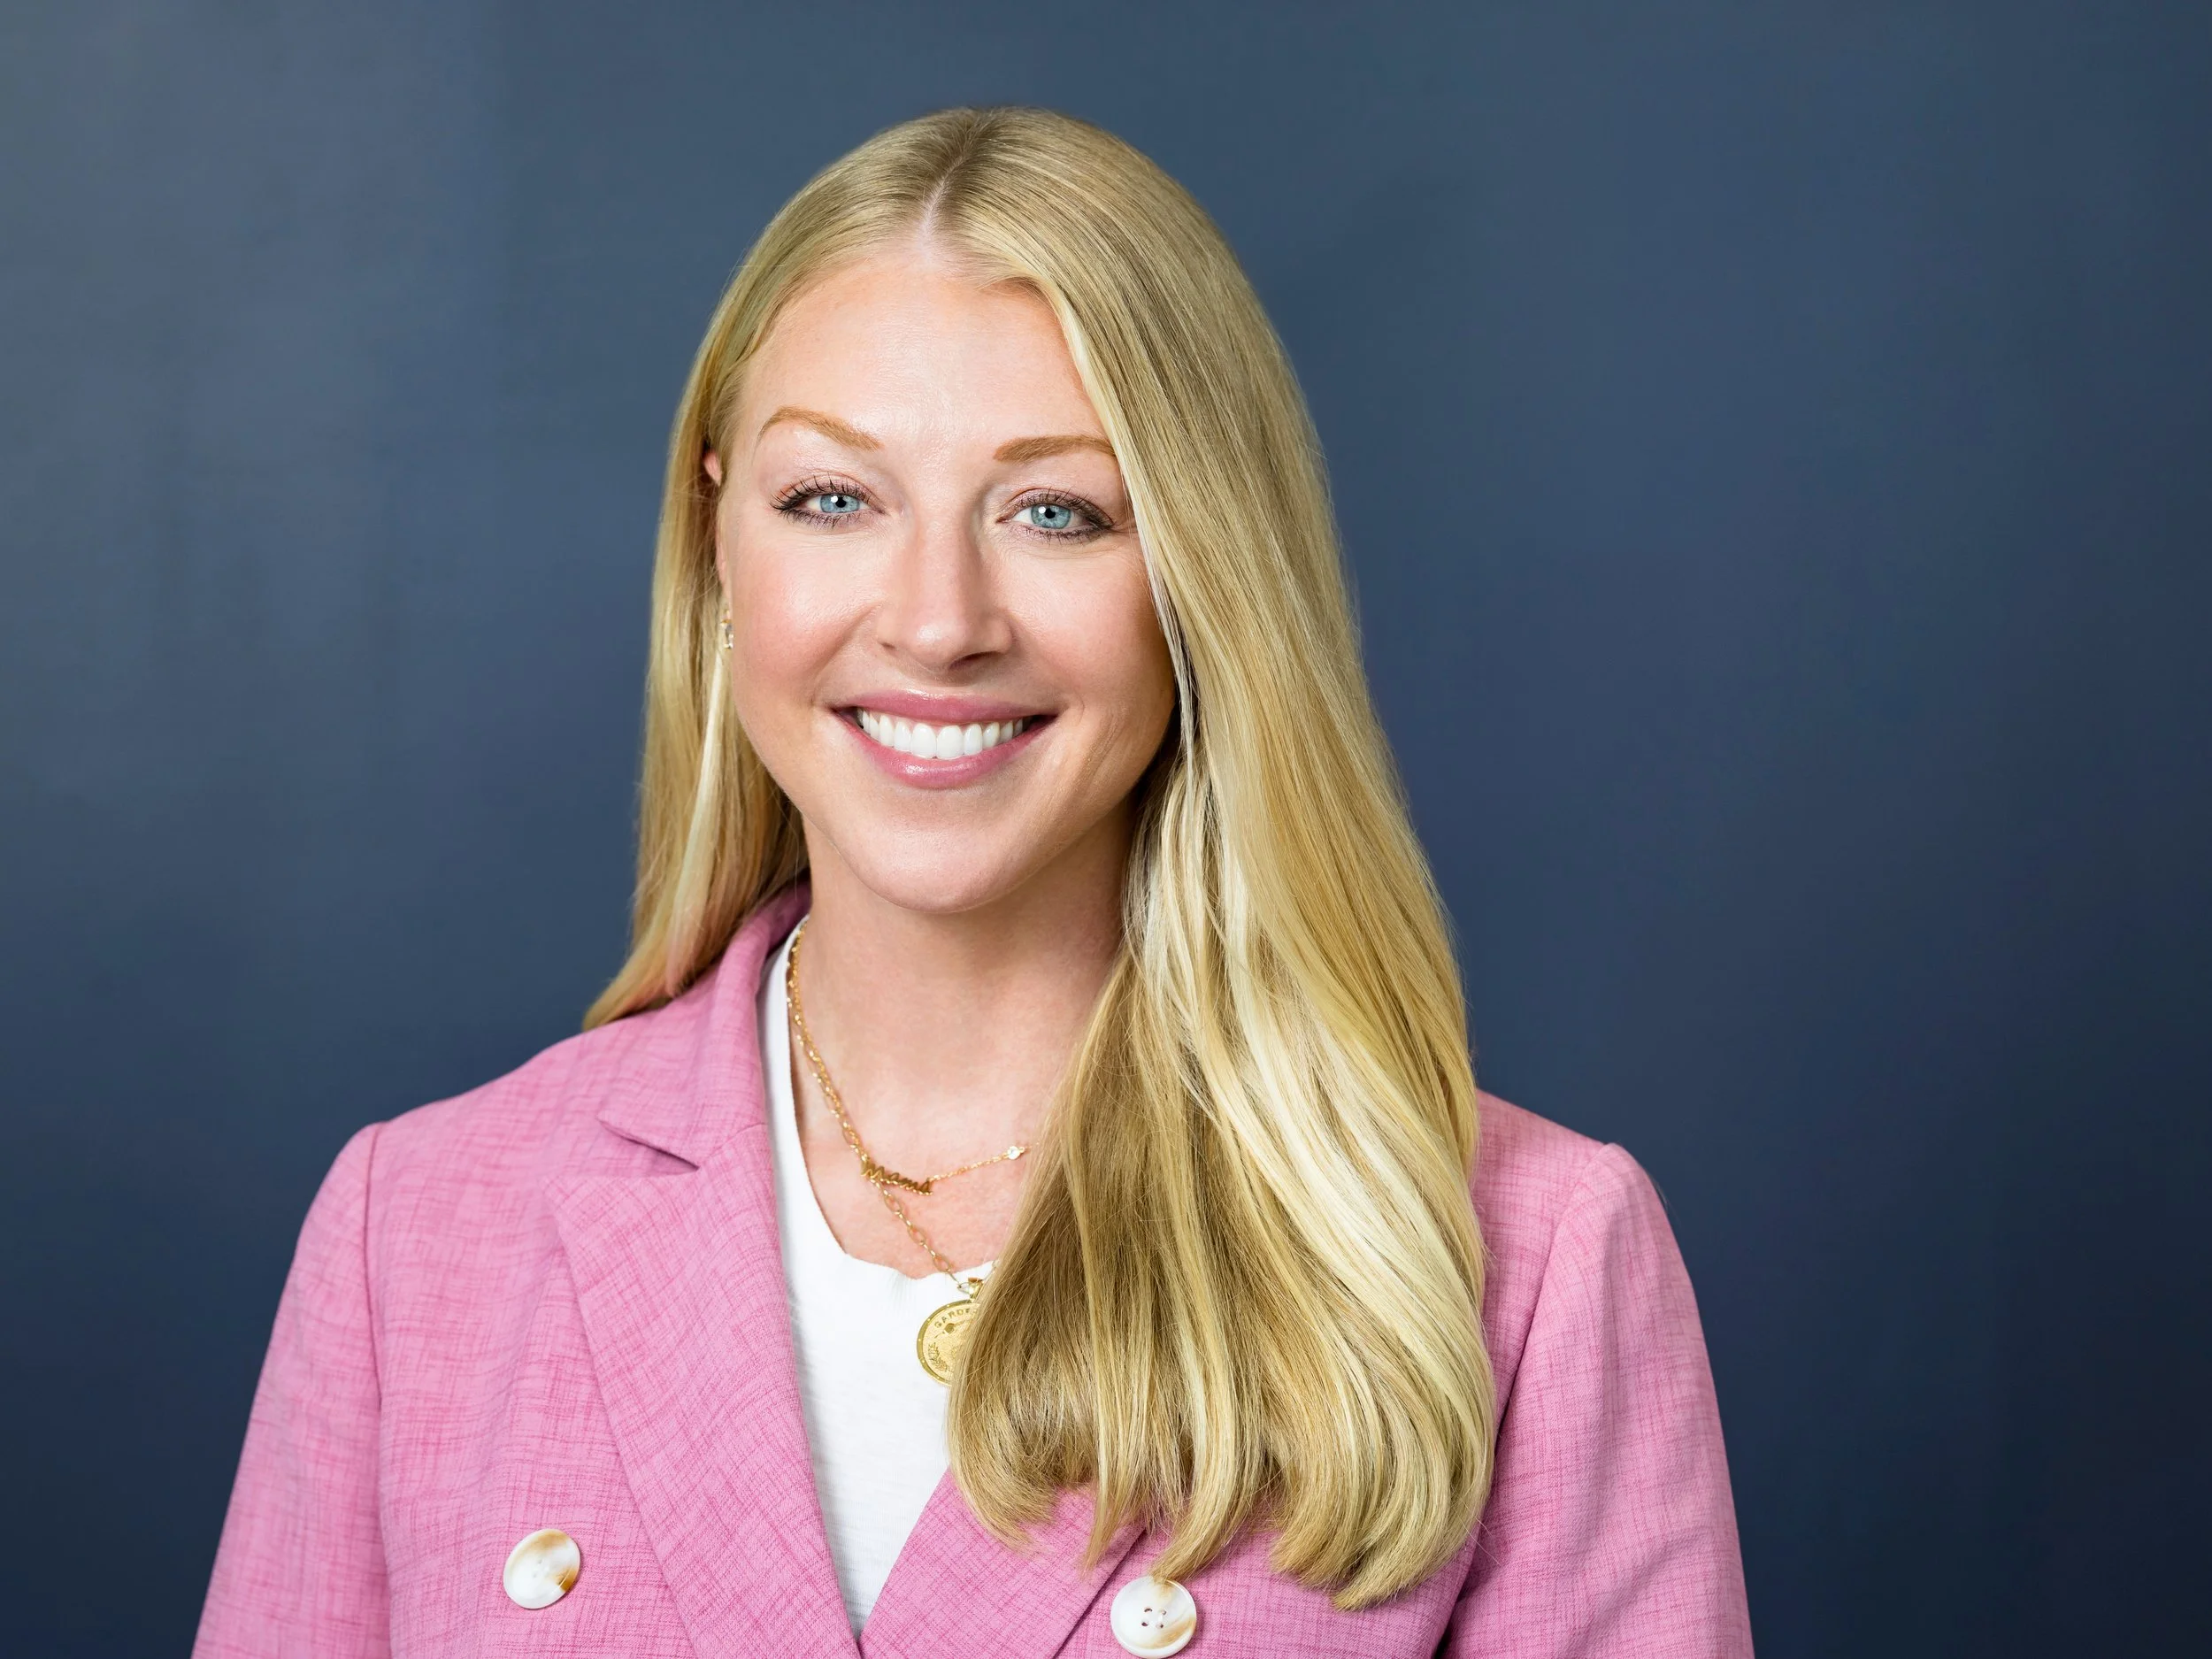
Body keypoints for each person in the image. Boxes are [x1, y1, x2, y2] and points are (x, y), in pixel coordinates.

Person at [195, 107, 1752, 1657]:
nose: (938, 622)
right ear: (717, 537)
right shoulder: (417, 1230)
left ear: (1204, 581)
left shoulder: (1531, 1260)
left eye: (1056, 511)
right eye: (833, 499)